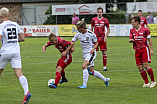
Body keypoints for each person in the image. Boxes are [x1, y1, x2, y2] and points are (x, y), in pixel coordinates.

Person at [0, 7, 31, 104]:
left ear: (0, 16)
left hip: (5, 52)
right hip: (16, 52)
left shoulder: (1, 26)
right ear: (8, 15)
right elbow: (22, 38)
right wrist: (13, 40)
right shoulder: (15, 24)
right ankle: (26, 92)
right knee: (19, 74)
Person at [72, 18, 110, 89]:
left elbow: (97, 43)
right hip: (84, 54)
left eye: (78, 28)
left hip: (91, 53)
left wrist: (93, 49)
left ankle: (84, 85)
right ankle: (105, 80)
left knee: (84, 66)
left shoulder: (91, 34)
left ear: (82, 28)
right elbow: (72, 41)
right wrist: (72, 47)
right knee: (91, 71)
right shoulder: (78, 34)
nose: (77, 29)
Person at [129, 16, 156, 88]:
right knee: (140, 67)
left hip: (144, 49)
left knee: (146, 65)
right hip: (137, 50)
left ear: (137, 22)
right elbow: (131, 38)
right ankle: (146, 82)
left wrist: (151, 49)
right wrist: (130, 40)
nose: (132, 24)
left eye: (133, 22)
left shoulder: (145, 30)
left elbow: (149, 40)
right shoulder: (132, 30)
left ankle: (153, 81)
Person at [91, 7, 110, 71]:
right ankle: (91, 66)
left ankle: (104, 67)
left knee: (104, 52)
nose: (99, 13)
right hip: (95, 38)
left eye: (100, 12)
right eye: (98, 12)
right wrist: (91, 36)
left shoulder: (105, 20)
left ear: (102, 12)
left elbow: (108, 30)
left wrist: (106, 36)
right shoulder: (93, 19)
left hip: (102, 38)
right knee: (93, 52)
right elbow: (91, 28)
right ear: (97, 12)